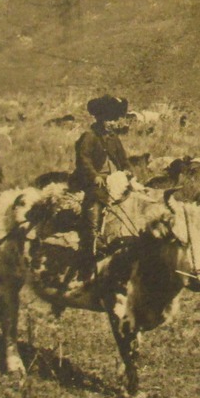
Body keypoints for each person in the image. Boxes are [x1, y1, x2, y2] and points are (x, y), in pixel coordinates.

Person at [69, 95, 132, 278]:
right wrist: (95, 175)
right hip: (94, 184)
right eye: (110, 119)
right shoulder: (89, 137)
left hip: (116, 182)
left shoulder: (114, 139)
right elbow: (83, 160)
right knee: (93, 218)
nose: (113, 123)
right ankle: (86, 263)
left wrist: (128, 171)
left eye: (115, 119)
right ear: (100, 118)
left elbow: (124, 160)